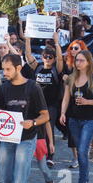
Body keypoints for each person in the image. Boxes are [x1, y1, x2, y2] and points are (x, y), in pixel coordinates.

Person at [0, 54, 49, 183]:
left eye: (8, 69)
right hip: (7, 139)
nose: (4, 73)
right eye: (3, 69)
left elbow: (45, 116)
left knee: (20, 179)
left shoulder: (33, 87)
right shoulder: (3, 88)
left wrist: (32, 122)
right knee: (4, 178)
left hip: (27, 139)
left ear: (19, 68)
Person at [60, 50, 93, 183]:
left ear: (88, 62)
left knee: (81, 150)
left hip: (90, 120)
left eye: (81, 60)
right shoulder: (71, 78)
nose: (78, 63)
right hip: (74, 119)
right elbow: (66, 98)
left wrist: (87, 101)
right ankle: (84, 180)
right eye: (77, 60)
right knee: (80, 151)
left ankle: (82, 182)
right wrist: (62, 113)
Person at [25, 32, 63, 168]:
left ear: (53, 59)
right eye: (45, 56)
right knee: (33, 127)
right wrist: (28, 40)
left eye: (50, 57)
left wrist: (57, 43)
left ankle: (50, 155)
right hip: (36, 104)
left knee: (49, 129)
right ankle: (33, 151)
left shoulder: (55, 70)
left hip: (51, 105)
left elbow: (60, 60)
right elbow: (28, 57)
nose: (47, 59)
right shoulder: (38, 67)